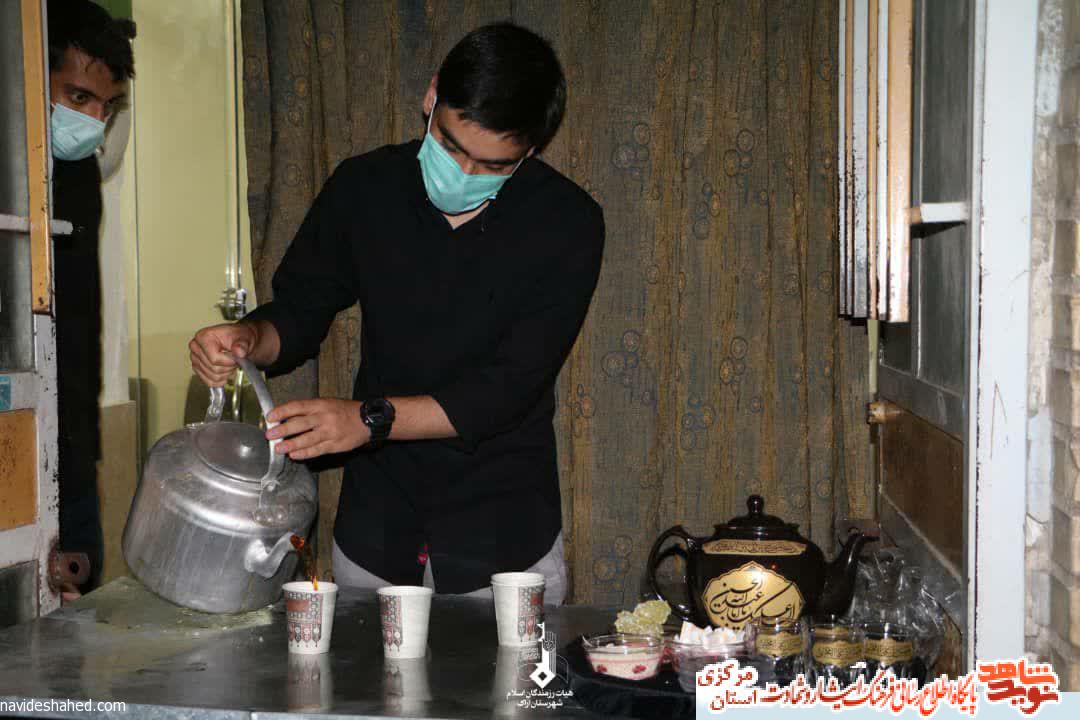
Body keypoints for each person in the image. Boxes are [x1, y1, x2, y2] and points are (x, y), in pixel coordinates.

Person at [189, 23, 603, 604]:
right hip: (378, 522)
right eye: (451, 147)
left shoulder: (567, 222)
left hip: (503, 526)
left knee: (501, 670)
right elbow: (300, 310)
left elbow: (509, 386)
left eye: (493, 166)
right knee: (363, 666)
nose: (464, 174)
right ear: (431, 96)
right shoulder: (365, 187)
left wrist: (369, 420)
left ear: (531, 150)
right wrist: (247, 338)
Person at [48, 0, 135, 598]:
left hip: (71, 448)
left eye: (109, 106)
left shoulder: (79, 178)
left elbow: (81, 326)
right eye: (78, 98)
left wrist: (89, 458)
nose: (95, 122)